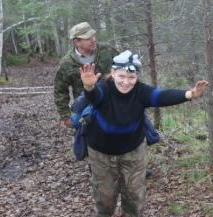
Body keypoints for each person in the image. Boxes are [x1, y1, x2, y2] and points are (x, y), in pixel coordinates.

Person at [79, 50, 209, 217]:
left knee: (134, 196)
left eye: (131, 77)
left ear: (137, 77)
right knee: (105, 199)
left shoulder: (141, 92)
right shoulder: (104, 89)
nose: (126, 82)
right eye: (121, 76)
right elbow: (94, 96)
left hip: (133, 150)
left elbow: (162, 96)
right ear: (112, 73)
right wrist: (89, 86)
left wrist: (190, 94)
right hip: (101, 153)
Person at [54, 22, 155, 177]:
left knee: (131, 131)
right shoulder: (67, 63)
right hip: (89, 106)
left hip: (118, 101)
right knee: (92, 137)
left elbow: (128, 68)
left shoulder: (108, 51)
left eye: (93, 35)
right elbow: (60, 90)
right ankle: (98, 172)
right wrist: (65, 116)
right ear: (76, 42)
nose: (93, 39)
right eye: (87, 38)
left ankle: (134, 168)